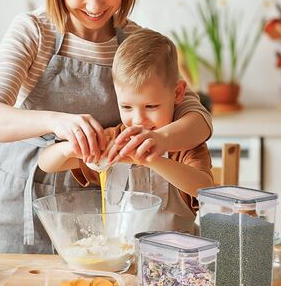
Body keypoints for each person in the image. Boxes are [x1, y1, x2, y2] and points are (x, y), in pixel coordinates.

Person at [0, 0, 212, 253]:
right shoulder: (33, 33)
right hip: (17, 209)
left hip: (97, 219)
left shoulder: (134, 43)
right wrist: (58, 122)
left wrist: (158, 140)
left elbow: (198, 120)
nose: (95, 5)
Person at [39, 29, 214, 233]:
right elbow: (46, 164)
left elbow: (205, 189)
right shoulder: (113, 139)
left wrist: (151, 159)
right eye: (127, 107)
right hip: (120, 259)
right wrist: (69, 148)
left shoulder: (184, 145)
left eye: (151, 107)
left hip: (176, 260)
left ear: (177, 93)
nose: (138, 120)